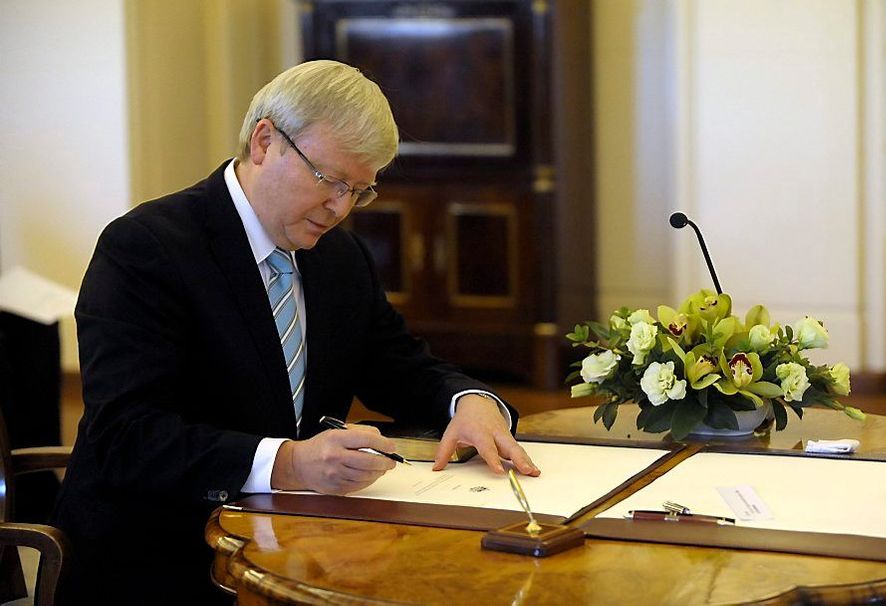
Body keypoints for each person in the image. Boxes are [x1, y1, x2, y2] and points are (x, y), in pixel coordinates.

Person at [52, 60, 539, 604]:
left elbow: (397, 365)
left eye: (359, 190)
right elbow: (127, 435)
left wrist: (468, 401)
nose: (340, 208)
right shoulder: (146, 248)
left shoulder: (339, 256)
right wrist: (287, 463)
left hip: (299, 541)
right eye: (329, 180)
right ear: (264, 141)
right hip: (155, 559)